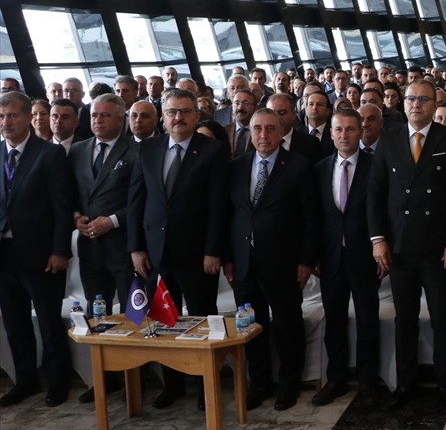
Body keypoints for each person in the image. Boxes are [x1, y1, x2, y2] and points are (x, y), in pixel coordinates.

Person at [368, 79, 446, 414]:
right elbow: (375, 193)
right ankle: (405, 384)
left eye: (423, 99)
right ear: (403, 103)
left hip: (438, 248)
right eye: (411, 98)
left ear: (434, 104)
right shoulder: (389, 139)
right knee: (405, 320)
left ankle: (445, 386)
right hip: (399, 248)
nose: (416, 104)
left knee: (442, 318)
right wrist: (378, 239)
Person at [127, 88, 230, 409]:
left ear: (196, 115)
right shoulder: (148, 149)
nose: (178, 117)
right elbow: (136, 201)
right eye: (172, 111)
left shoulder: (213, 151)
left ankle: (204, 389)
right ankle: (172, 385)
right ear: (163, 116)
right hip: (156, 253)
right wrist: (136, 247)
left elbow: (219, 206)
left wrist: (214, 250)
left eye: (185, 111)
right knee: (163, 321)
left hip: (197, 255)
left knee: (201, 321)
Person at [223, 108, 318, 411]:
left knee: (288, 326)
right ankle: (259, 382)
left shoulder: (299, 167)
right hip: (244, 263)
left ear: (281, 132)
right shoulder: (236, 167)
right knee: (251, 326)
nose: (263, 135)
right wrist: (228, 259)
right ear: (250, 133)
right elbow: (228, 216)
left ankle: (289, 384)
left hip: (284, 263)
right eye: (257, 129)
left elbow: (311, 218)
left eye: (270, 129)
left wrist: (306, 260)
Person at [0, 92, 73, 407]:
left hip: (42, 254)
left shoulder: (49, 154)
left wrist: (60, 250)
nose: (6, 122)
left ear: (29, 117)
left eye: (13, 115)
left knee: (48, 321)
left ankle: (58, 381)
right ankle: (25, 380)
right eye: (1, 116)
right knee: (14, 322)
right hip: (4, 254)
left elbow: (62, 207)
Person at [67, 94, 140, 403]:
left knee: (131, 313)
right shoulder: (78, 150)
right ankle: (104, 378)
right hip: (91, 246)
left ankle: (134, 378)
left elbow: (142, 200)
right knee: (97, 314)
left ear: (121, 119)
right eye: (94, 115)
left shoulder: (136, 151)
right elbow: (71, 193)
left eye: (105, 115)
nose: (97, 120)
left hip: (122, 245)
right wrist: (76, 217)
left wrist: (112, 220)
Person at [312, 109, 383, 407]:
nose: (344, 135)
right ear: (331, 134)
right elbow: (315, 217)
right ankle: (336, 379)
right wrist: (314, 255)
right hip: (331, 258)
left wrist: (382, 247)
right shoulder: (320, 169)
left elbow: (384, 212)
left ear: (360, 131)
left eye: (351, 129)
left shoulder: (376, 166)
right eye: (339, 129)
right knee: (335, 321)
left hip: (365, 256)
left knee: (367, 321)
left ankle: (368, 381)